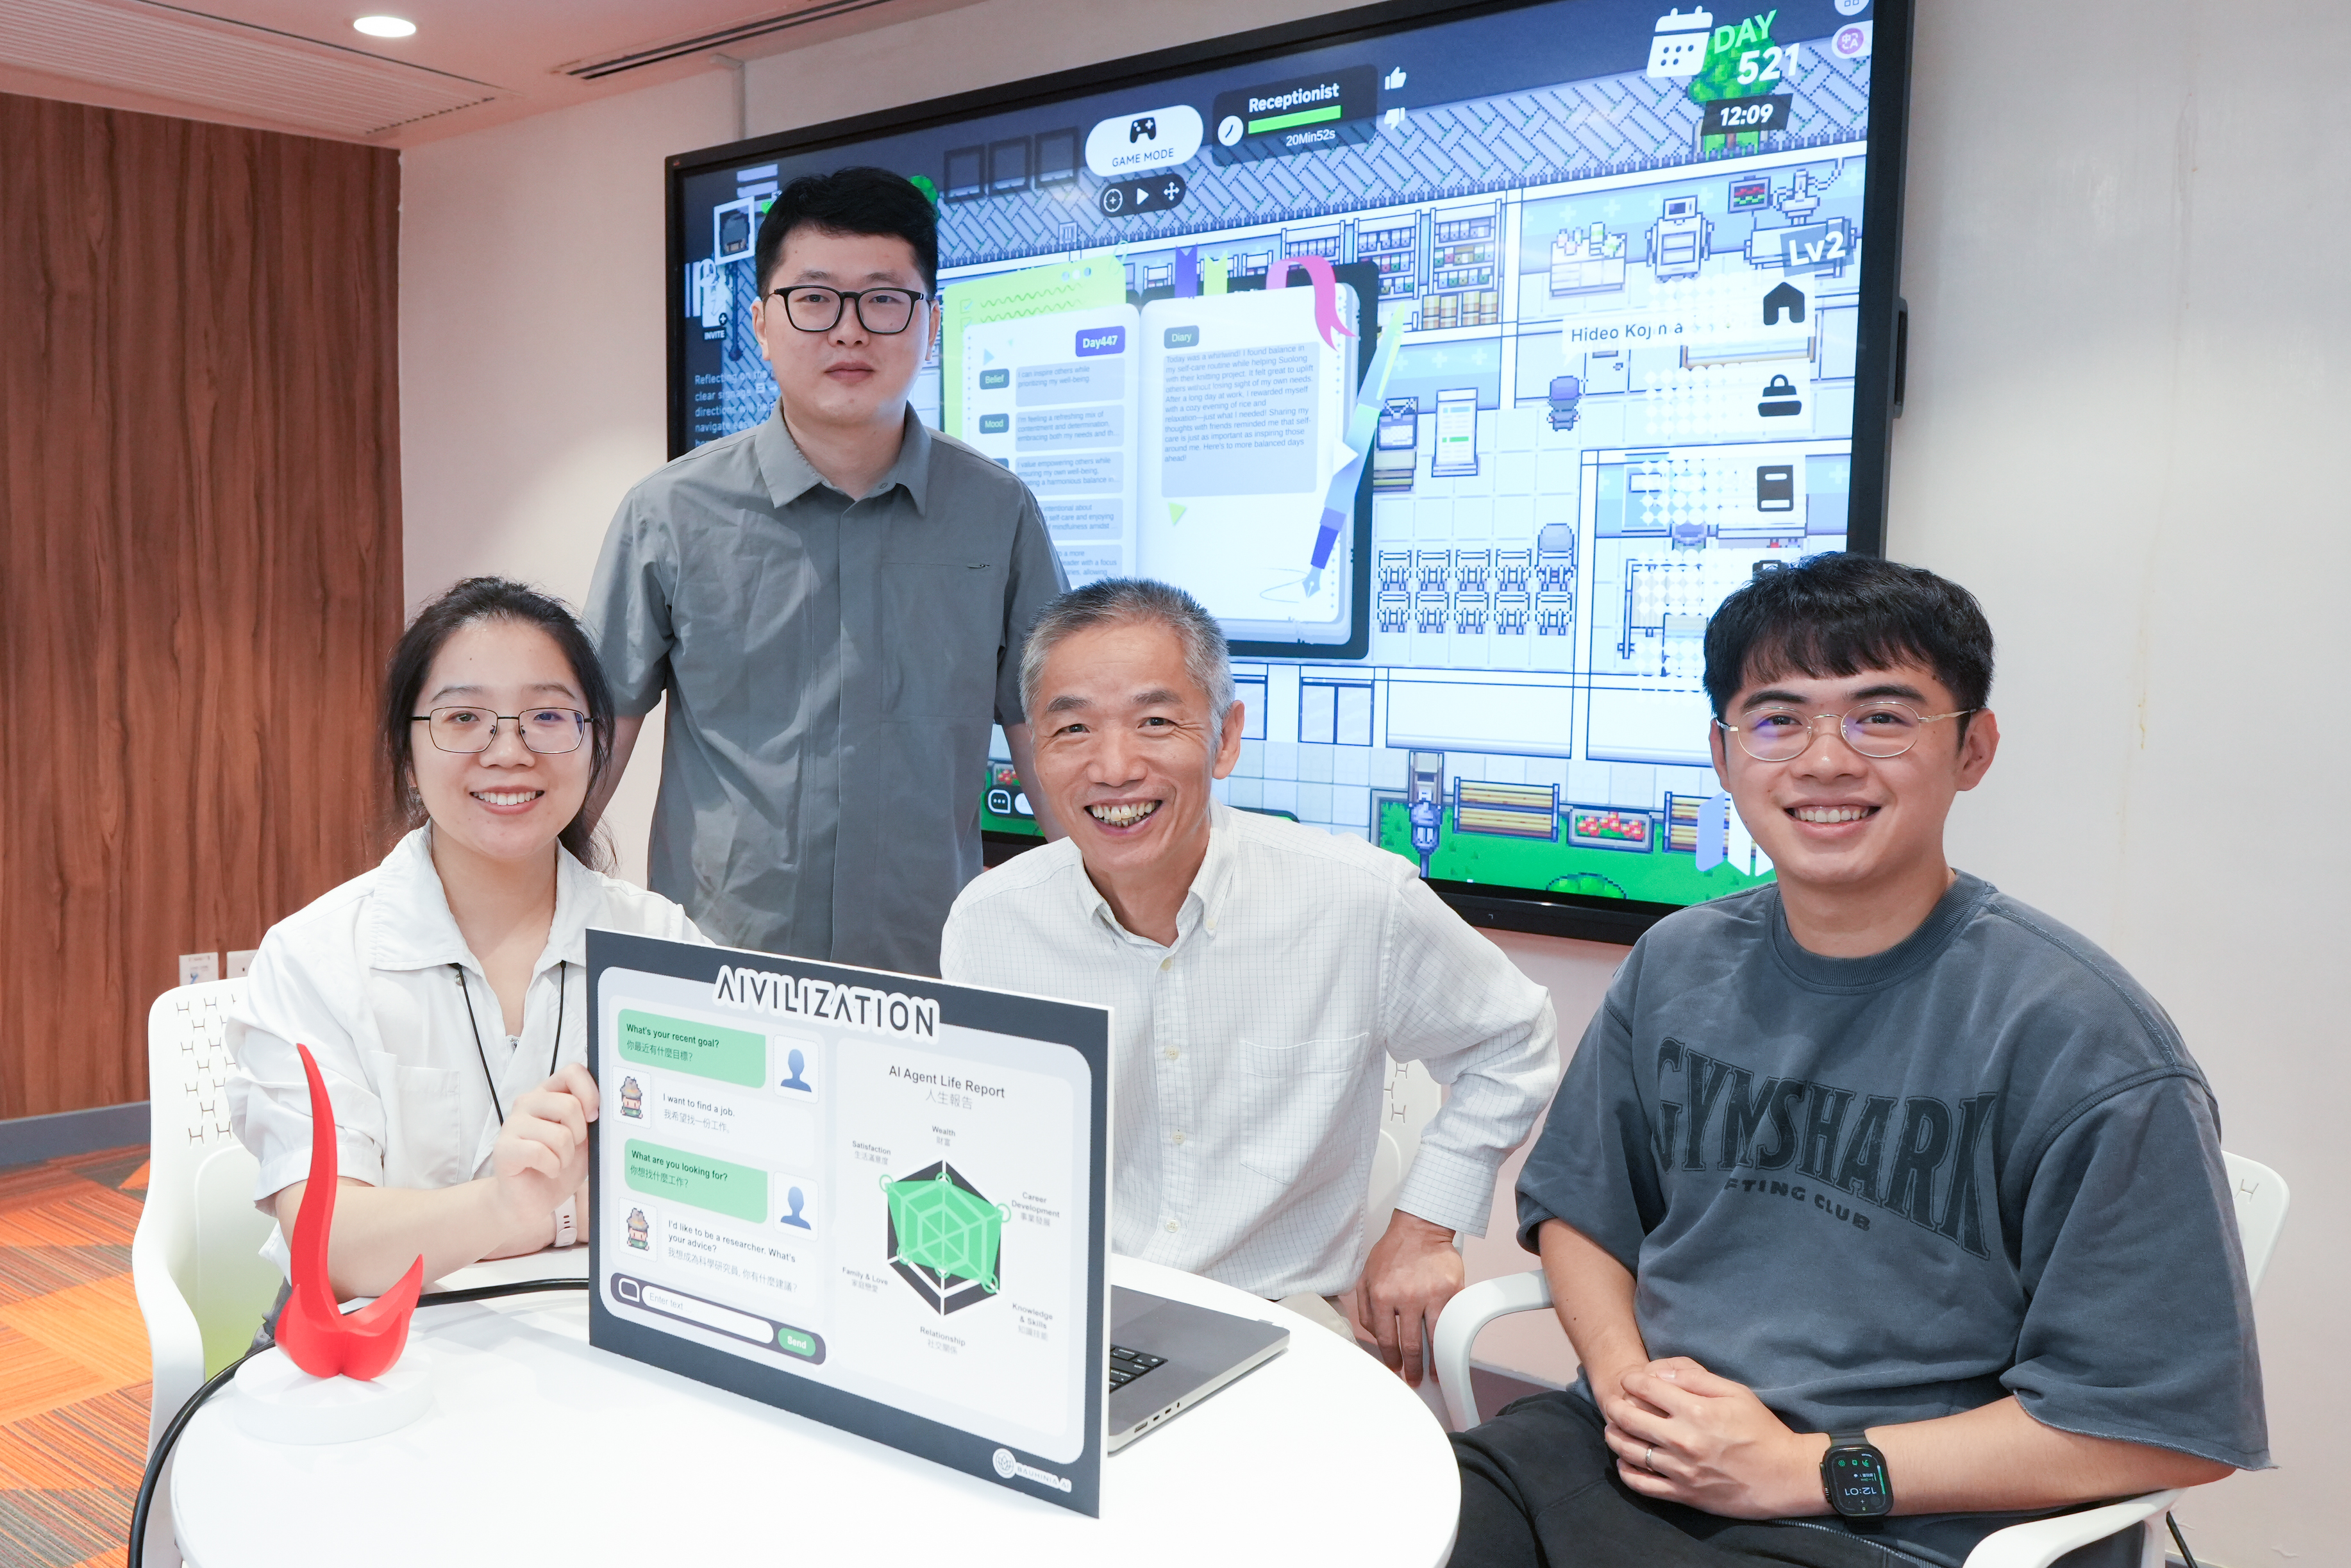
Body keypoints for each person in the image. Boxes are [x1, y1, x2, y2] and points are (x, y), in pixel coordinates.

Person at [1452, 554, 2267, 1568]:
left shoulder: (2081, 1037)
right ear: (1722, 753)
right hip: (1612, 1458)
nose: (1824, 760)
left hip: (1888, 1528)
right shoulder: (1677, 962)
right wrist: (1624, 1386)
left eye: (1880, 717)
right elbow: (1582, 1207)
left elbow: (2165, 1427)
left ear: (1972, 748)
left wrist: (1804, 1468)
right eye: (1776, 718)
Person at [939, 579, 1560, 1381]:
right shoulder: (990, 924)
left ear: (1225, 738)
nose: (1114, 766)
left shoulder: (1355, 899)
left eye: (1155, 721)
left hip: (1275, 1323)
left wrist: (1424, 1226)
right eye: (1073, 728)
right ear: (1036, 751)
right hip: (1061, 1311)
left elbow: (1512, 1040)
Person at [584, 165, 1068, 976]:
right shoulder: (668, 514)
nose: (848, 331)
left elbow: (1052, 741)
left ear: (932, 323)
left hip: (930, 971)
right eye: (813, 299)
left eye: (883, 300)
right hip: (718, 972)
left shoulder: (999, 511)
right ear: (761, 324)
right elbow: (591, 749)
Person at [227, 578, 707, 1297]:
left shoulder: (661, 942)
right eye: (464, 718)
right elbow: (331, 1247)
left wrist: (525, 1221)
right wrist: (510, 1206)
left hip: (602, 1331)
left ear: (593, 743)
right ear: (407, 754)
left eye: (548, 716)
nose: (508, 750)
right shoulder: (314, 959)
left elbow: (714, 1190)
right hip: (389, 1342)